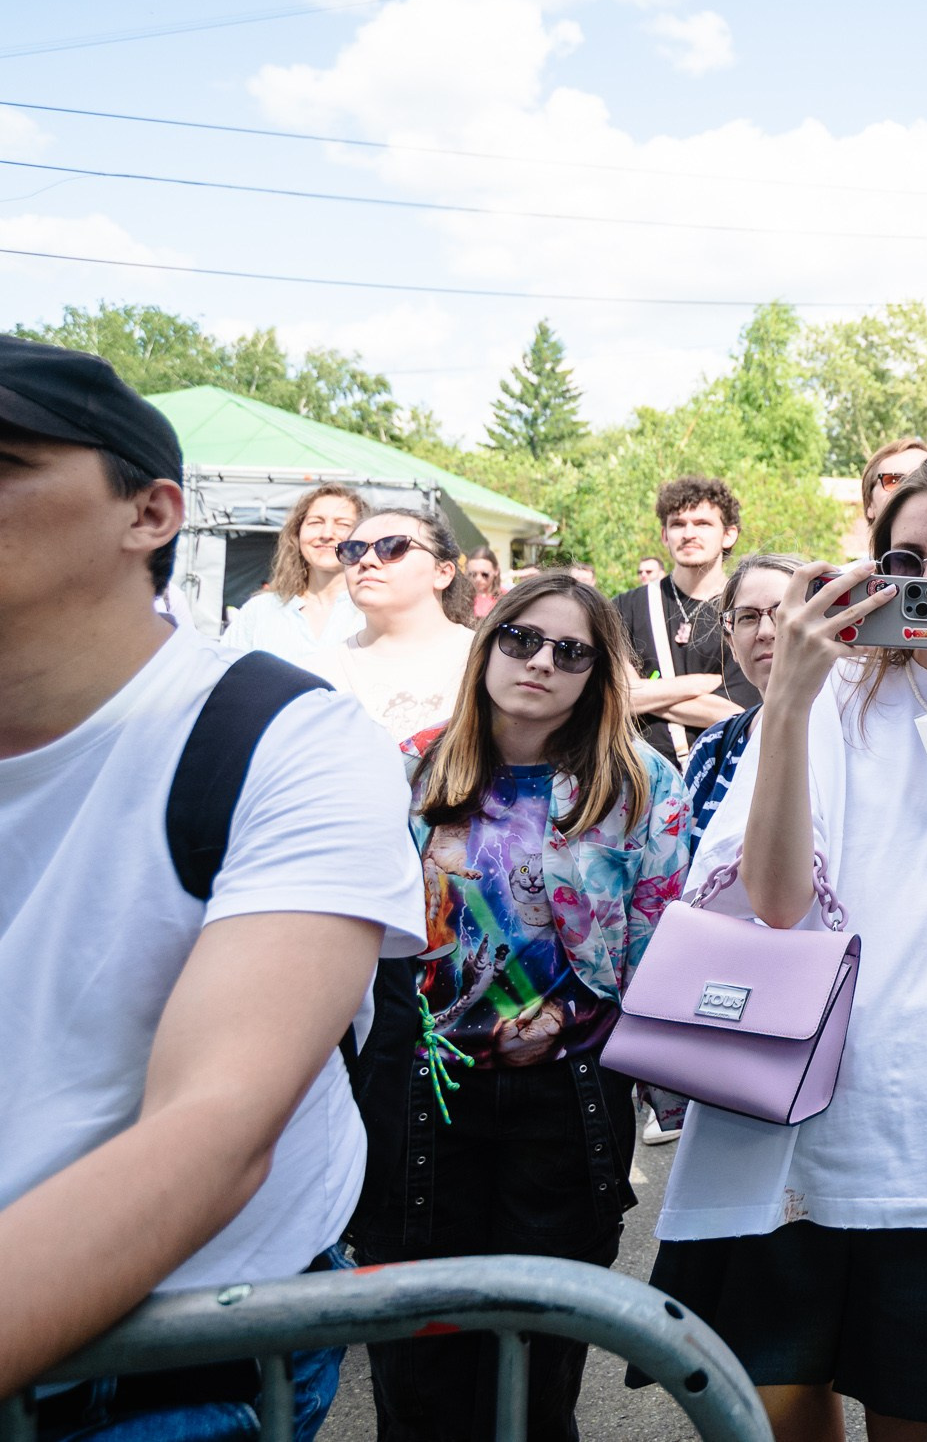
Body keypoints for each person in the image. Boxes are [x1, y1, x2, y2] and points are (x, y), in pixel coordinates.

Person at [0, 336, 423, 1435]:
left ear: (150, 512)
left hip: (168, 1373)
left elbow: (216, 1128)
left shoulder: (286, 735)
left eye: (3, 460)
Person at [647, 454, 927, 1442]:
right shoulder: (830, 697)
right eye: (905, 557)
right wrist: (789, 705)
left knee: (922, 1423)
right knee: (769, 1416)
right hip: (777, 1128)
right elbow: (772, 902)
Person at [349, 572, 685, 1442]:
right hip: (427, 1101)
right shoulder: (412, 765)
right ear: (487, 642)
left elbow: (656, 945)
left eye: (571, 651)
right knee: (419, 1381)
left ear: (598, 673)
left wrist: (667, 1093)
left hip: (566, 1106)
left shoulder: (639, 781)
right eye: (522, 638)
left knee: (537, 1383)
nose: (541, 661)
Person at [613, 476, 758, 767]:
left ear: (729, 535)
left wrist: (644, 693)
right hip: (639, 779)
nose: (688, 533)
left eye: (703, 524)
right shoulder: (624, 607)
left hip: (720, 779)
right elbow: (615, 699)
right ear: (665, 535)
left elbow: (736, 714)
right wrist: (698, 685)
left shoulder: (748, 611)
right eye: (678, 524)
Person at [680, 553, 805, 860]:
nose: (765, 631)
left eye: (783, 612)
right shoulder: (715, 748)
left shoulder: (858, 734)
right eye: (748, 617)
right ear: (731, 644)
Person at [329, 508, 478, 743]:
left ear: (442, 573)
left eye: (392, 547)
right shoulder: (319, 671)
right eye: (353, 550)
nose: (366, 561)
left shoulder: (485, 659)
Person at [223, 483, 370, 664]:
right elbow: (227, 678)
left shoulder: (375, 612)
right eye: (316, 522)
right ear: (297, 533)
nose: (326, 533)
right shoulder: (260, 611)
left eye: (343, 524)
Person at [855, 435, 927, 555]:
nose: (908, 488)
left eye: (923, 479)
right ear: (870, 502)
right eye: (893, 481)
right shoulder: (842, 574)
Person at [463, 547, 502, 622]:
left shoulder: (506, 597)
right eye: (473, 574)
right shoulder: (461, 598)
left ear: (496, 571)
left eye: (484, 574)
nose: (478, 579)